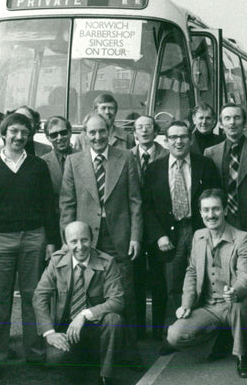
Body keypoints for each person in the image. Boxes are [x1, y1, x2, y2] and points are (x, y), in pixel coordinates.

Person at [0, 112, 57, 364]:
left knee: (34, 296)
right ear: (4, 134)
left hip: (34, 237)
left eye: (24, 133)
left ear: (29, 136)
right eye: (14, 132)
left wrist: (51, 241)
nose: (19, 137)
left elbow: (48, 207)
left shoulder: (38, 165)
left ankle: (35, 352)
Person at [60, 112, 143, 327]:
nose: (98, 137)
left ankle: (128, 353)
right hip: (85, 238)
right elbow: (67, 204)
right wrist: (66, 240)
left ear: (109, 132)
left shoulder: (126, 157)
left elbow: (135, 201)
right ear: (85, 135)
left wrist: (135, 237)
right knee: (88, 290)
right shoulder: (73, 161)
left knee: (124, 293)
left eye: (102, 131)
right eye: (92, 132)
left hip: (119, 237)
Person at [142, 121, 221, 341]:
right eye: (173, 137)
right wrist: (159, 235)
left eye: (183, 136)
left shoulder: (205, 165)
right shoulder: (153, 169)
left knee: (201, 279)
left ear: (190, 139)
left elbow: (215, 198)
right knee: (169, 285)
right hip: (168, 234)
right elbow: (146, 206)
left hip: (197, 230)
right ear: (165, 141)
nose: (179, 141)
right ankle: (166, 334)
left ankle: (199, 331)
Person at [164, 189, 247, 378]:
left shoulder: (242, 238)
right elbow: (191, 271)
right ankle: (219, 337)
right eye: (205, 210)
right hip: (208, 307)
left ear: (225, 210)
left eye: (215, 209)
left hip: (234, 304)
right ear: (200, 212)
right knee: (174, 336)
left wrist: (236, 291)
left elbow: (246, 275)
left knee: (238, 307)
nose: (210, 215)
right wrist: (186, 304)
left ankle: (242, 356)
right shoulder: (198, 235)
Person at [33, 221, 126, 385]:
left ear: (92, 240)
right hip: (67, 329)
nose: (80, 246)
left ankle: (106, 376)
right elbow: (39, 296)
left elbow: (117, 300)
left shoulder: (107, 262)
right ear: (66, 243)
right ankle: (84, 360)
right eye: (73, 241)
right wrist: (49, 333)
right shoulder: (56, 261)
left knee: (114, 319)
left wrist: (84, 315)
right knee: (57, 360)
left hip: (95, 326)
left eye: (84, 240)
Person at [204, 103, 247, 283]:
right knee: (224, 269)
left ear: (244, 122)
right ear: (221, 123)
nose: (232, 122)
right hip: (222, 222)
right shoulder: (211, 153)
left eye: (237, 118)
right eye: (227, 118)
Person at [130, 115, 169, 338]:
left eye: (148, 127)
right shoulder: (126, 157)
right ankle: (138, 330)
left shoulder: (166, 154)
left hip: (158, 225)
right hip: (135, 225)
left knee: (158, 278)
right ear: (134, 133)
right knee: (136, 278)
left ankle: (158, 329)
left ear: (156, 132)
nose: (144, 131)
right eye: (139, 128)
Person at [40, 116, 74, 248]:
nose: (59, 138)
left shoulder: (85, 157)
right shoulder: (41, 163)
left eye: (63, 132)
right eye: (54, 135)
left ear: (70, 132)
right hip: (52, 226)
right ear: (48, 138)